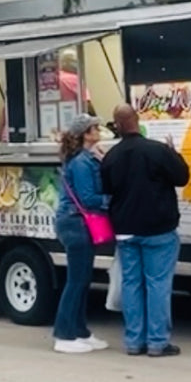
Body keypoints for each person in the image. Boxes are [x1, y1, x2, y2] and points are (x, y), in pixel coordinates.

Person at [100, 103, 189, 356]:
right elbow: (182, 177)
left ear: (116, 125)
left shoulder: (111, 156)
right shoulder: (158, 151)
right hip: (158, 228)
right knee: (158, 284)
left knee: (131, 283)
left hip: (125, 230)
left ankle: (133, 342)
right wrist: (175, 153)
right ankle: (157, 342)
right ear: (137, 120)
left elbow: (106, 190)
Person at [52, 113, 110, 354]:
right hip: (76, 224)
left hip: (74, 222)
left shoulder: (84, 159)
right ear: (86, 134)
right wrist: (112, 200)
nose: (98, 131)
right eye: (95, 128)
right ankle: (64, 334)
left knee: (83, 279)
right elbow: (88, 198)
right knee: (77, 281)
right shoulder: (82, 163)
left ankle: (80, 331)